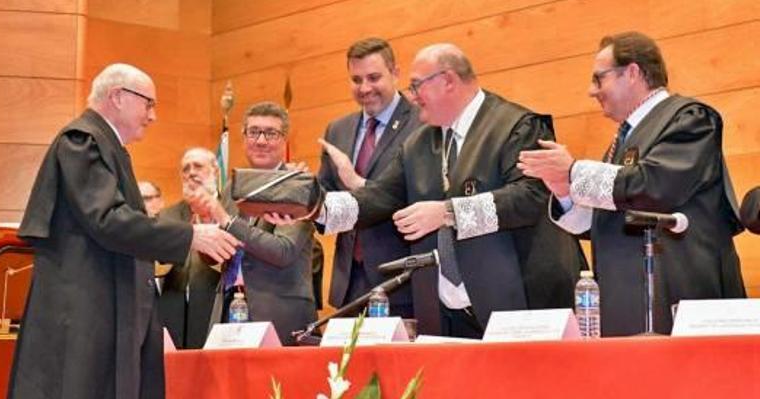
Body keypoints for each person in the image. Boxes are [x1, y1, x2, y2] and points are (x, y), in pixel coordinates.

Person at [2, 63, 240, 399]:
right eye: (148, 103)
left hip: (96, 324)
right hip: (78, 326)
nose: (152, 115)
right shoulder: (83, 142)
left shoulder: (103, 145)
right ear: (118, 96)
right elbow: (108, 220)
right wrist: (190, 234)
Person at [319, 43, 584, 338]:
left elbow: (532, 197)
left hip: (520, 303)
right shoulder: (419, 144)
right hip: (446, 312)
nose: (412, 96)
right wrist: (314, 209)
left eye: (417, 85)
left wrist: (449, 212)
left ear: (447, 80)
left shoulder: (517, 126)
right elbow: (377, 198)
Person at [518, 31, 744, 336]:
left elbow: (653, 188)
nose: (591, 91)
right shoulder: (620, 141)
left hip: (679, 297)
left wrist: (573, 171)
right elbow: (610, 215)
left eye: (599, 79)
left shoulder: (690, 119)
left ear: (633, 72)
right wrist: (563, 189)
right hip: (624, 301)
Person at [195, 102, 317, 346]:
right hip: (228, 309)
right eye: (253, 132)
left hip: (278, 314)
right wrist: (208, 226)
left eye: (270, 133)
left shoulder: (299, 186)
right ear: (244, 137)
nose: (261, 141)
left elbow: (282, 251)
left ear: (284, 140)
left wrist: (227, 221)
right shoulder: (233, 187)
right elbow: (214, 258)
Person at [317, 37, 420, 316]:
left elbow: (422, 195)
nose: (365, 88)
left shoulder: (422, 123)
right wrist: (301, 197)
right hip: (349, 281)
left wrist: (357, 183)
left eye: (374, 77)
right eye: (356, 79)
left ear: (395, 73)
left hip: (403, 280)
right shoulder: (337, 129)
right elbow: (324, 194)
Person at [156, 147, 222, 349]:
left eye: (198, 166)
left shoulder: (229, 208)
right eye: (186, 169)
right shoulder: (168, 215)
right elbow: (159, 261)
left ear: (215, 172)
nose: (191, 173)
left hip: (215, 303)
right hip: (173, 306)